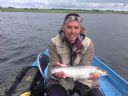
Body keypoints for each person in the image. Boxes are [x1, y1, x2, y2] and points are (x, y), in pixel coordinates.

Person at [47, 13, 103, 96]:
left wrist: (89, 76)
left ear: (80, 29)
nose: (73, 31)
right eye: (69, 27)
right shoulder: (54, 42)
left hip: (81, 80)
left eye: (76, 28)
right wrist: (55, 72)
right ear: (63, 28)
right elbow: (54, 65)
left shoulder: (89, 43)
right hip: (60, 81)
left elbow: (85, 65)